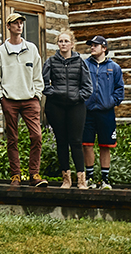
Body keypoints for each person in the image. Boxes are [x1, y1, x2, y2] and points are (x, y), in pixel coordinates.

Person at [0, 12, 47, 187]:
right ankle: (16, 175)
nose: (19, 26)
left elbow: (38, 75)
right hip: (10, 100)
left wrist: (37, 95)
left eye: (21, 23)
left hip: (30, 99)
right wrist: (1, 97)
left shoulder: (32, 49)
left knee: (36, 136)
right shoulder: (1, 51)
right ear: (8, 26)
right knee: (12, 138)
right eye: (15, 23)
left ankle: (34, 174)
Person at [42, 30, 92, 189]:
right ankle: (66, 179)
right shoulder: (51, 61)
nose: (63, 44)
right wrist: (54, 93)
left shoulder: (80, 62)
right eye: (60, 41)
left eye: (66, 41)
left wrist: (78, 96)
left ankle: (81, 179)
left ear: (72, 44)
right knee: (61, 141)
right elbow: (42, 83)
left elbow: (87, 86)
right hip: (56, 106)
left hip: (75, 106)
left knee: (76, 141)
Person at [83, 35, 124, 189]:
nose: (92, 48)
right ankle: (90, 178)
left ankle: (105, 180)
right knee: (86, 144)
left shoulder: (114, 67)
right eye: (91, 45)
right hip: (87, 111)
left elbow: (120, 90)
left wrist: (110, 102)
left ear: (104, 48)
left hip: (106, 113)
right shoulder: (84, 65)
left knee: (105, 145)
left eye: (95, 45)